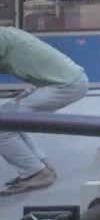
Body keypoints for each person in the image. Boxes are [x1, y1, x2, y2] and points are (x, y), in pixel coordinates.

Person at [0, 27, 88, 194]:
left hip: (65, 85)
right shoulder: (6, 33)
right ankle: (40, 166)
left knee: (4, 126)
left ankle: (37, 173)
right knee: (8, 116)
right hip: (61, 82)